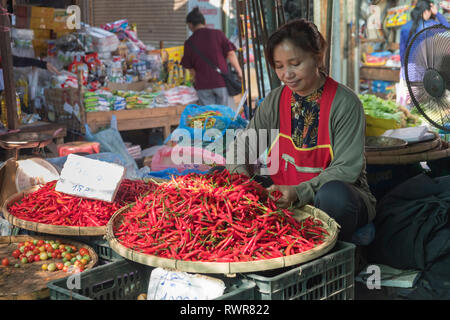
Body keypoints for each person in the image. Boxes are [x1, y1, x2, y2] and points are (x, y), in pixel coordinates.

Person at [225, 19, 376, 242]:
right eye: (279, 66)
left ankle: (327, 253)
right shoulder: (275, 101)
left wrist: (299, 192)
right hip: (283, 194)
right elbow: (243, 146)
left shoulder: (345, 103)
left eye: (295, 63)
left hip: (330, 198)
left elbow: (346, 168)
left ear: (317, 57)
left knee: (334, 196)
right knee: (222, 176)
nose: (287, 74)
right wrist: (243, 183)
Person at [181, 7, 242, 107]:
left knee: (209, 116)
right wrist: (239, 72)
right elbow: (230, 54)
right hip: (221, 82)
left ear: (190, 25)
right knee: (224, 115)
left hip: (203, 86)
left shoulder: (189, 43)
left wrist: (196, 78)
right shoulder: (218, 34)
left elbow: (190, 68)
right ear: (204, 22)